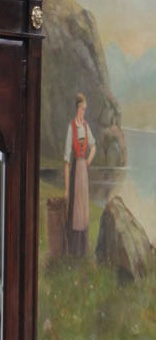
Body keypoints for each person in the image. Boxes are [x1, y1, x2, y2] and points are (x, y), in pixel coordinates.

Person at [63, 92, 96, 260]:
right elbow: (67, 159)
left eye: (85, 109)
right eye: (83, 108)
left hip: (84, 169)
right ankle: (74, 250)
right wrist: (67, 187)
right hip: (76, 169)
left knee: (83, 207)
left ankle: (83, 249)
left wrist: (88, 161)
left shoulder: (85, 125)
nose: (84, 111)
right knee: (75, 208)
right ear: (78, 108)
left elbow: (93, 145)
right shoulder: (72, 127)